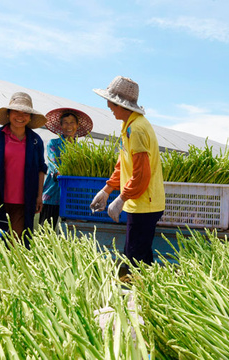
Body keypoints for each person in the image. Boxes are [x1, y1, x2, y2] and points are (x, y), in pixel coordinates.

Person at [90, 76, 165, 267]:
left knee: (134, 258)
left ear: (120, 104)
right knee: (139, 254)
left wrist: (121, 198)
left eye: (111, 103)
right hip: (139, 202)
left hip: (144, 204)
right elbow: (123, 164)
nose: (108, 106)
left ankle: (137, 294)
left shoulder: (137, 129)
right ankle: (145, 292)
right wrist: (107, 190)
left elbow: (141, 174)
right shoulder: (129, 126)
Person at [0, 92, 47, 247]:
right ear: (8, 114)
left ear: (30, 117)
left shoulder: (35, 141)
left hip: (24, 202)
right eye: (16, 111)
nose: (20, 116)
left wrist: (38, 197)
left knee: (18, 244)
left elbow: (40, 171)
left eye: (25, 113)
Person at [40, 108, 93, 227]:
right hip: (52, 194)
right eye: (65, 122)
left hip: (72, 194)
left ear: (77, 125)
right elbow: (52, 163)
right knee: (46, 231)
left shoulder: (81, 149)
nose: (69, 126)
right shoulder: (53, 144)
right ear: (61, 125)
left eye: (72, 122)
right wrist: (61, 174)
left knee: (69, 230)